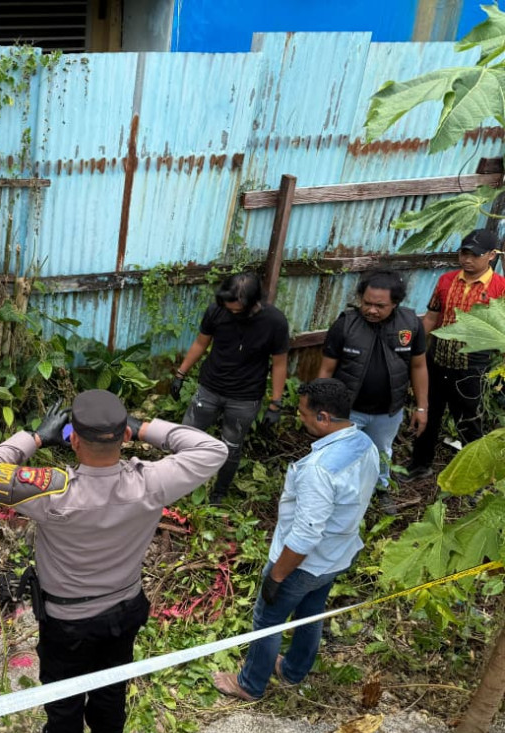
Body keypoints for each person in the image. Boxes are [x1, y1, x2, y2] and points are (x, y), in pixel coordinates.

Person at [0, 390, 227, 733]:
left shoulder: (53, 490)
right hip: (124, 609)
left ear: (71, 439)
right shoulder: (153, 483)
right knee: (111, 685)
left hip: (66, 621)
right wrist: (146, 429)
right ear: (124, 436)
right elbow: (212, 450)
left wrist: (35, 437)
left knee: (64, 695)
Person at [213, 378, 379, 702]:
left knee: (268, 620)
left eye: (303, 414)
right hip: (337, 556)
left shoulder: (319, 469)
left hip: (302, 563)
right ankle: (293, 671)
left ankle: (249, 683)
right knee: (310, 614)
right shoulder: (364, 445)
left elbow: (306, 533)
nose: (299, 418)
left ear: (324, 418)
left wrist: (277, 575)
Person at [172, 271, 289, 504]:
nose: (231, 312)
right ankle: (177, 484)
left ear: (254, 303)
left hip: (245, 398)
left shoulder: (274, 322)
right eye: (228, 307)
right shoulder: (217, 310)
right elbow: (200, 343)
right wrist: (180, 373)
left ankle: (219, 493)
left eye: (236, 309)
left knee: (231, 446)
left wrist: (275, 404)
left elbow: (279, 364)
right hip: (209, 388)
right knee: (186, 435)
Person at [317, 269, 428, 514]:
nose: (371, 310)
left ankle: (381, 490)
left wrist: (422, 407)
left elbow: (419, 366)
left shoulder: (410, 325)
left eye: (380, 306)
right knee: (339, 454)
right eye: (366, 303)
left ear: (395, 303)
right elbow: (326, 368)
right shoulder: (346, 324)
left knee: (381, 453)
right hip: (347, 410)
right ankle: (334, 496)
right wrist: (320, 405)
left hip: (388, 412)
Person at [409, 229, 505, 479]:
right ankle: (419, 465)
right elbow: (431, 318)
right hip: (437, 357)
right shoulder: (446, 281)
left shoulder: (500, 288)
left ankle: (474, 480)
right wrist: (414, 349)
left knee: (470, 421)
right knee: (428, 412)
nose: (467, 259)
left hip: (473, 364)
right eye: (463, 253)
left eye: (474, 255)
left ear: (492, 256)